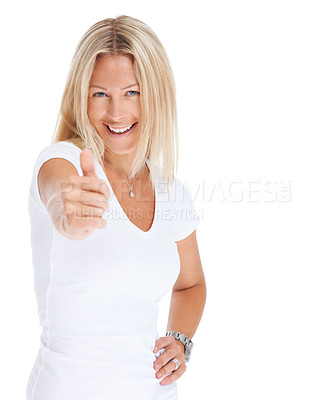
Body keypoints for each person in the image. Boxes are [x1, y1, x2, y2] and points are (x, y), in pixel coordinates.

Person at [26, 15, 206, 400]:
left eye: (132, 93)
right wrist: (66, 210)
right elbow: (58, 192)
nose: (117, 113)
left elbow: (191, 283)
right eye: (99, 94)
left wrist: (180, 339)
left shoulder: (171, 191)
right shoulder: (64, 161)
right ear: (81, 96)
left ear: (155, 94)